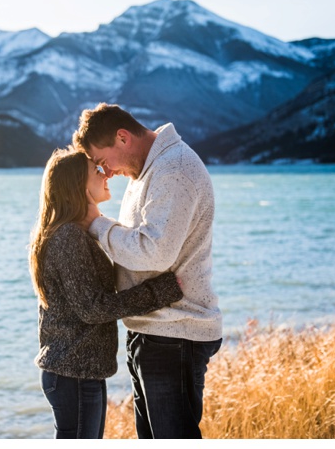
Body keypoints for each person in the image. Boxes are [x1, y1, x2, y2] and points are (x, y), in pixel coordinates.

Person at [72, 103, 223, 439]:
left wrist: (97, 224)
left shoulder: (173, 170)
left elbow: (154, 251)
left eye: (102, 161)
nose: (106, 172)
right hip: (155, 330)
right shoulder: (149, 171)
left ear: (122, 137)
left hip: (175, 332)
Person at [29, 147, 184, 439]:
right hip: (72, 372)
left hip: (79, 371)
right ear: (78, 185)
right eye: (96, 171)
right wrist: (159, 291)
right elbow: (93, 308)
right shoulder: (68, 237)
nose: (106, 174)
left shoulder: (77, 232)